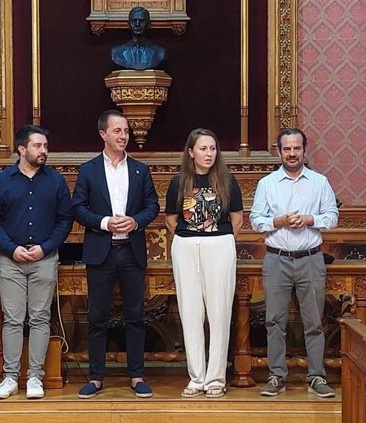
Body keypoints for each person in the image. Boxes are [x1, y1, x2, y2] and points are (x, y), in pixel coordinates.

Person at [71, 109, 159, 399]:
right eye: (118, 131)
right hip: (101, 252)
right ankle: (96, 377)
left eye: (126, 131)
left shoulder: (140, 170)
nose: (124, 136)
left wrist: (136, 221)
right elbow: (78, 208)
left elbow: (152, 206)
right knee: (97, 317)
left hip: (131, 252)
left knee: (135, 316)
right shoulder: (88, 170)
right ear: (103, 134)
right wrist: (105, 222)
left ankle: (136, 375)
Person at [249, 128, 339, 398]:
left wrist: (310, 220)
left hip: (310, 259)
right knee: (274, 321)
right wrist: (279, 221)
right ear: (279, 151)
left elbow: (332, 216)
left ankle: (316, 376)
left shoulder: (319, 182)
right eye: (286, 149)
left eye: (296, 148)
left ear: (304, 150)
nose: (291, 153)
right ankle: (277, 376)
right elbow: (255, 220)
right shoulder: (267, 184)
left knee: (313, 321)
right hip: (277, 259)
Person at [0, 125, 72, 400]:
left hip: (44, 258)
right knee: (12, 319)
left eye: (46, 146)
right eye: (38, 146)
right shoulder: (3, 181)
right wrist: (11, 249)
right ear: (22, 149)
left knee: (39, 318)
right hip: (10, 259)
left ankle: (35, 377)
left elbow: (64, 220)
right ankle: (10, 377)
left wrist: (45, 247)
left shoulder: (55, 181)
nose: (44, 151)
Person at [164, 128, 243, 398]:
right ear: (191, 152)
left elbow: (237, 219)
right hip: (186, 246)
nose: (209, 154)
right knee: (190, 312)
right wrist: (190, 237)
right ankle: (196, 377)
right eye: (203, 149)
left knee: (219, 312)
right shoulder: (179, 182)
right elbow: (171, 219)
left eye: (212, 148)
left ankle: (216, 379)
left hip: (219, 245)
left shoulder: (227, 180)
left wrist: (215, 238)